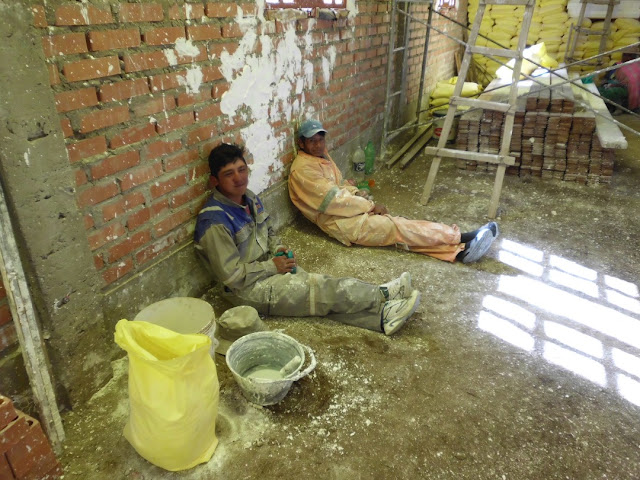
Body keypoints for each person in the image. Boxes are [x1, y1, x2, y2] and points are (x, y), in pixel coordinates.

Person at [194, 143, 421, 336]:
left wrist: (279, 250)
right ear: (215, 180)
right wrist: (272, 266)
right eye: (228, 174)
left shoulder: (250, 198)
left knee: (316, 299)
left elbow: (269, 232)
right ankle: (382, 294)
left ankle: (382, 319)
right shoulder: (214, 221)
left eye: (241, 169)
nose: (238, 178)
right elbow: (231, 276)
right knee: (319, 289)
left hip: (268, 268)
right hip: (247, 289)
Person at [288, 119, 499, 263]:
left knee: (398, 231)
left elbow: (338, 186)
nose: (318, 144)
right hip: (340, 223)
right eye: (312, 141)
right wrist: (370, 206)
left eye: (321, 139)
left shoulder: (319, 157)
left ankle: (459, 250)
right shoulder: (303, 170)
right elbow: (333, 201)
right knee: (396, 228)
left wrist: (357, 192)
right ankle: (460, 237)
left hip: (348, 214)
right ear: (301, 143)